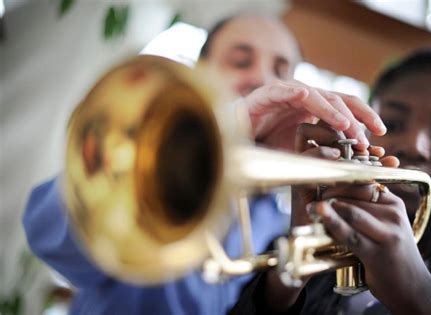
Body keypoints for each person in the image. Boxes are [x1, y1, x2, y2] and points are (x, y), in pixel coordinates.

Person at [23, 15, 386, 315]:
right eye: (240, 61)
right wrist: (229, 126)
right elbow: (44, 233)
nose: (261, 78)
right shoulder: (146, 157)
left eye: (281, 69)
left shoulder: (283, 213)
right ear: (201, 73)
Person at [230, 48, 431, 314]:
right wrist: (290, 275)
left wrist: (418, 294)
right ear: (363, 129)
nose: (415, 146)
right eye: (391, 124)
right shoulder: (303, 236)